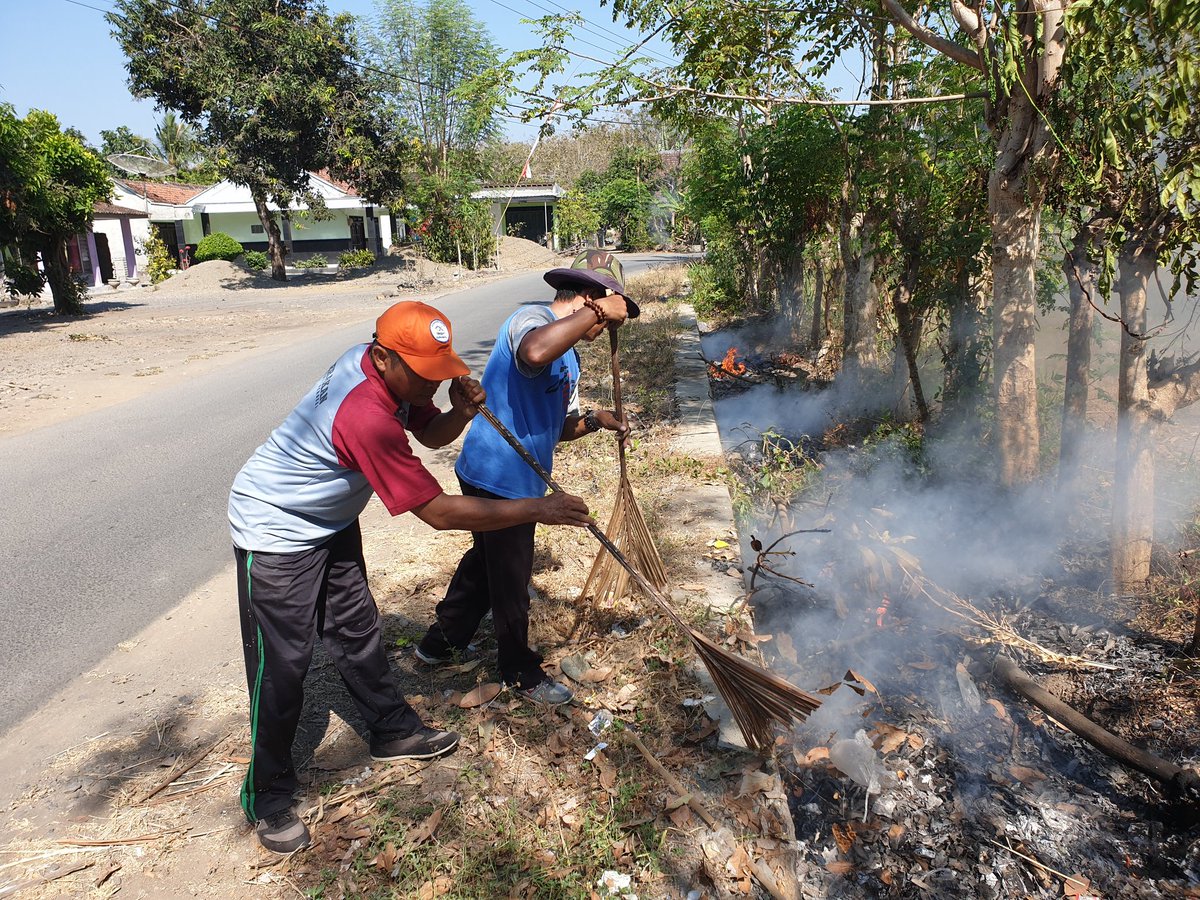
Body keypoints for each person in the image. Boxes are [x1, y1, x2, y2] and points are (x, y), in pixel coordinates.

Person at [228, 300, 591, 854]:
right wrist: (537, 508)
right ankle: (267, 795)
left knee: (356, 629)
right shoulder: (364, 415)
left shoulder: (387, 371)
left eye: (437, 371)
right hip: (275, 530)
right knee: (282, 666)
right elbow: (438, 513)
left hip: (330, 520)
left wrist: (460, 413)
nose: (432, 384)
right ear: (384, 358)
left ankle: (392, 730)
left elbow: (432, 434)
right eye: (424, 375)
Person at [415, 250, 639, 705]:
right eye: (602, 316)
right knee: (511, 577)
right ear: (588, 297)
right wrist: (599, 311)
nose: (601, 330)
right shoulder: (529, 321)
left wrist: (595, 420)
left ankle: (441, 642)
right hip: (496, 475)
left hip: (518, 477)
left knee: (487, 561)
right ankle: (520, 671)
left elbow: (558, 427)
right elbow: (534, 351)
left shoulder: (570, 357)